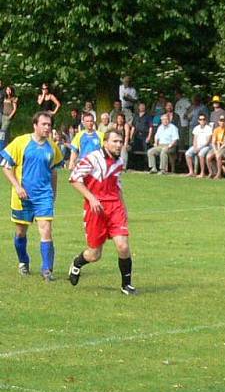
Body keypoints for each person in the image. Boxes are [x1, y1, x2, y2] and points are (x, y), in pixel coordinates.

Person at [67, 129, 137, 295]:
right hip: (95, 209)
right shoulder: (92, 158)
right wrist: (91, 198)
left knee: (123, 246)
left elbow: (117, 186)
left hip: (114, 208)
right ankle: (77, 263)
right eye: (115, 141)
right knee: (94, 254)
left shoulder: (119, 162)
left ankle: (126, 285)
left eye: (120, 142)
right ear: (105, 143)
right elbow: (74, 178)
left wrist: (124, 208)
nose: (119, 145)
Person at [1, 112, 63, 280]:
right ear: (35, 125)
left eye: (49, 125)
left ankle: (47, 270)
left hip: (43, 196)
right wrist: (17, 186)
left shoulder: (52, 147)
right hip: (22, 196)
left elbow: (54, 172)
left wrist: (53, 194)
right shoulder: (21, 142)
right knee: (21, 232)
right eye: (44, 124)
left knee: (46, 230)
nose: (47, 128)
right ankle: (23, 262)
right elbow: (6, 167)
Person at [1, 85, 19, 152]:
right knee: (7, 131)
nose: (8, 91)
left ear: (12, 91)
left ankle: (1, 144)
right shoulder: (5, 97)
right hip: (3, 115)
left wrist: (10, 116)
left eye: (10, 90)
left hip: (8, 116)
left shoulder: (14, 98)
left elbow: (15, 109)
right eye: (7, 90)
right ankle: (7, 144)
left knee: (3, 130)